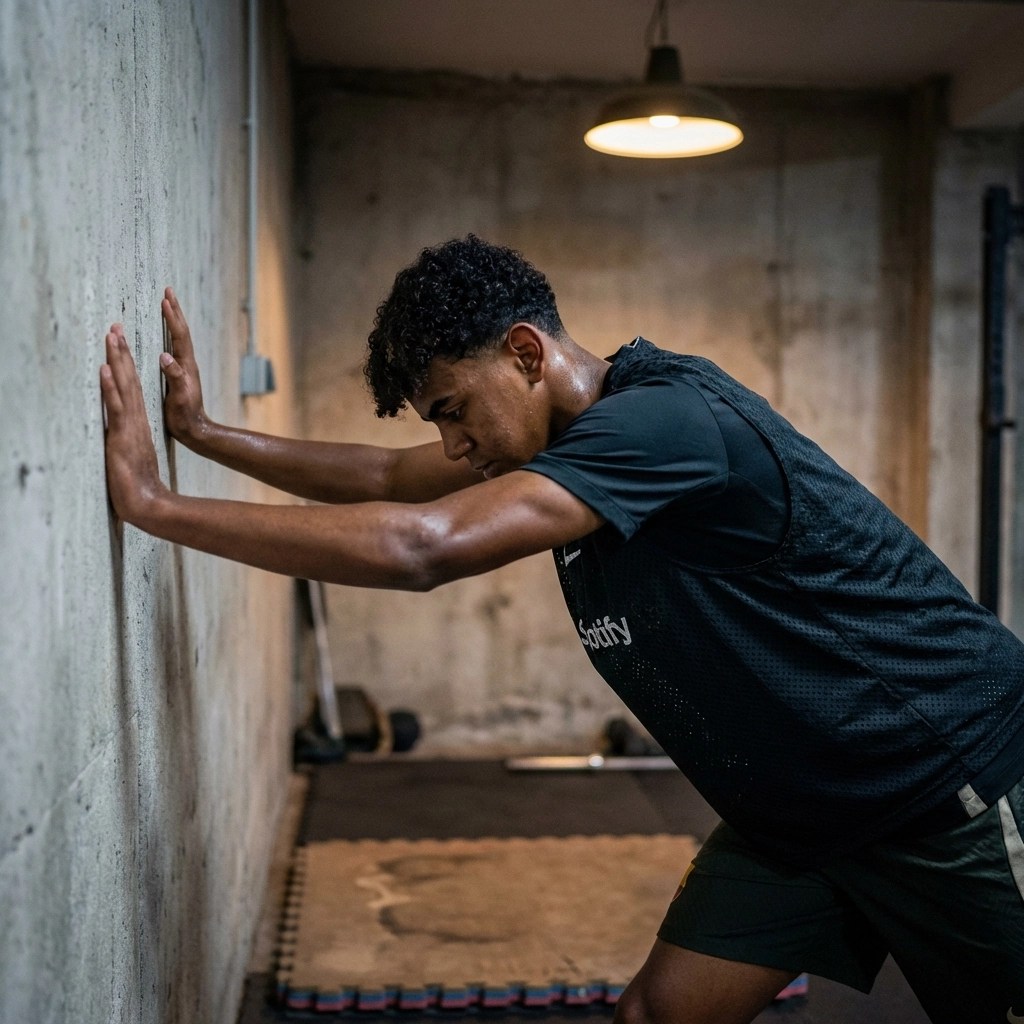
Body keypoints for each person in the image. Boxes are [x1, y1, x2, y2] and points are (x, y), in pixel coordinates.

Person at [100, 235, 1024, 1024]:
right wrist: (210, 434)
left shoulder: (663, 421)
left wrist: (154, 507)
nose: (455, 449)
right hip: (806, 808)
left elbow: (423, 547)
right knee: (658, 1014)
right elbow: (388, 482)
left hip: (952, 785)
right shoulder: (568, 440)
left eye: (455, 413)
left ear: (526, 353)